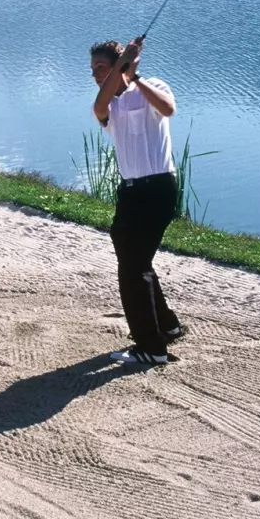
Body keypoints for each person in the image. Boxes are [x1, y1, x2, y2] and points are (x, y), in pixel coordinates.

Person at [90, 35, 186, 366]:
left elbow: (168, 109)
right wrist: (119, 69)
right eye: (93, 69)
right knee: (135, 263)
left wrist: (135, 77)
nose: (94, 74)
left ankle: (152, 347)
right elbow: (98, 108)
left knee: (133, 268)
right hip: (130, 192)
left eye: (99, 67)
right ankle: (167, 326)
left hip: (158, 188)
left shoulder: (152, 86)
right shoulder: (110, 103)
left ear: (119, 66)